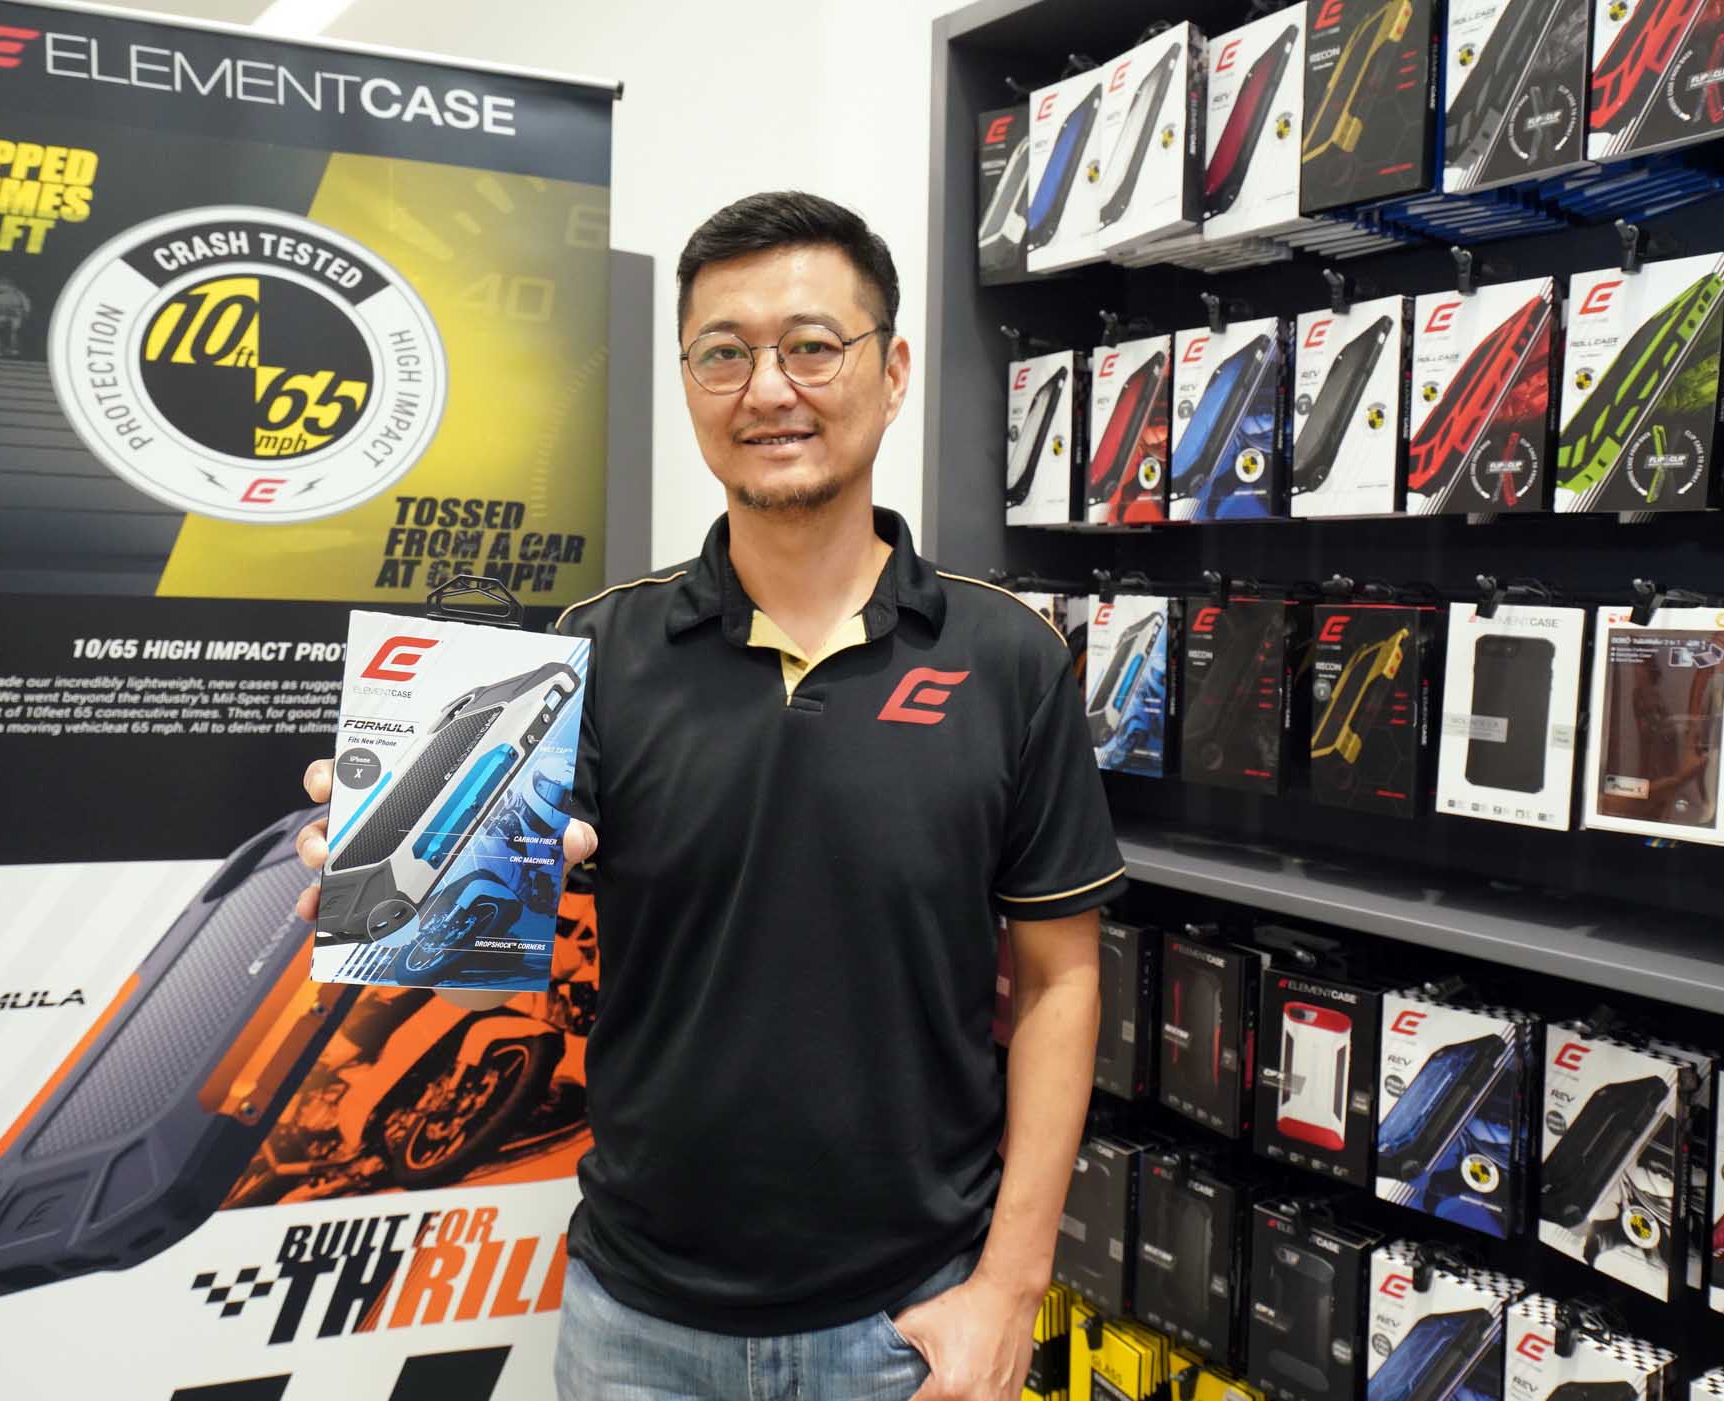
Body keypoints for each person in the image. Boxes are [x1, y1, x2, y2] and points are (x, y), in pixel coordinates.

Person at [294, 191, 1125, 1401]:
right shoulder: (593, 650)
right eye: (723, 354)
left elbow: (1059, 982)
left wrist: (1011, 1288)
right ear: (688, 383)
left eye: (812, 346)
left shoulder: (1007, 657)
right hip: (636, 1326)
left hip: (903, 1327)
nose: (768, 389)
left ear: (893, 372)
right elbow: (467, 943)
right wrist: (388, 867)